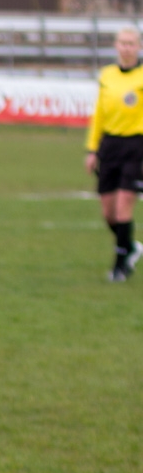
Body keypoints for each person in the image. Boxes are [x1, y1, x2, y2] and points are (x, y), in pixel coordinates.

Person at [83, 27, 143, 282]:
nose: (127, 47)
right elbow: (99, 114)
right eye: (122, 43)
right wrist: (92, 149)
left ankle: (120, 266)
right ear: (116, 46)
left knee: (122, 207)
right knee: (108, 212)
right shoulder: (107, 75)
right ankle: (131, 247)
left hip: (137, 146)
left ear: (138, 46)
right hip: (109, 146)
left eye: (131, 43)